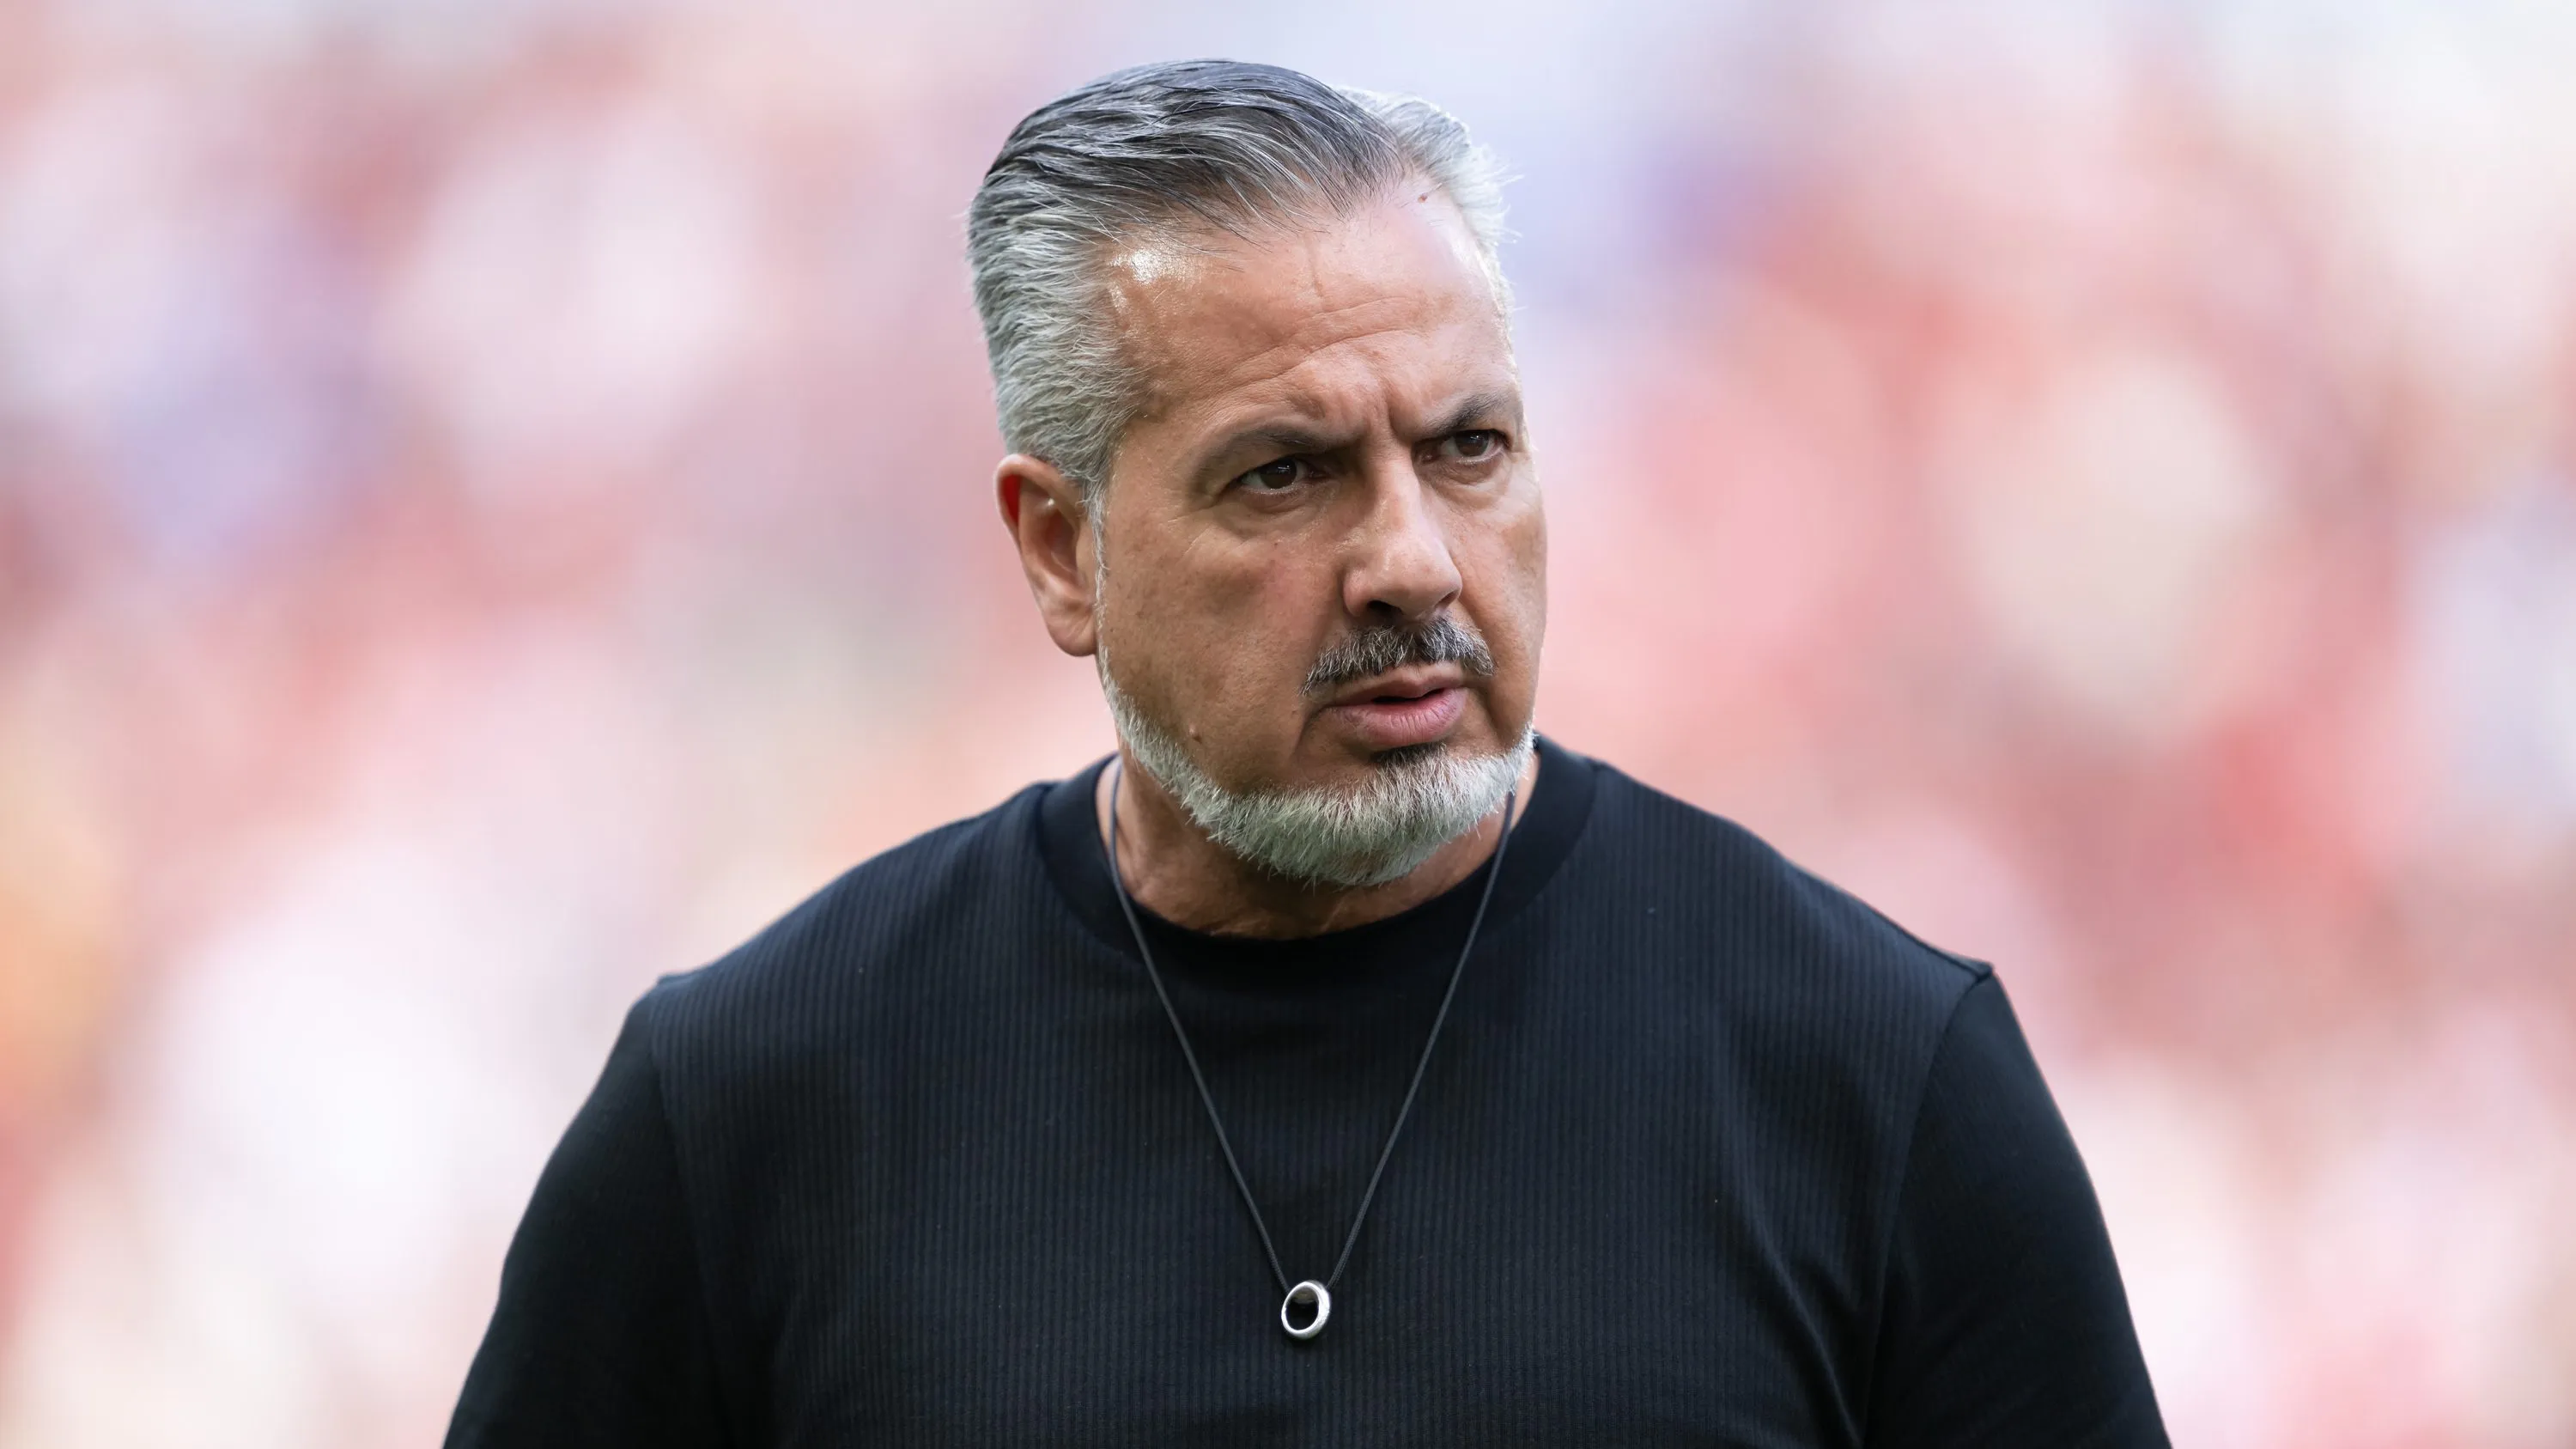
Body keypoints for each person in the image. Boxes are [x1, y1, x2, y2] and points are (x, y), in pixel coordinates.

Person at [446, 59, 2168, 1447]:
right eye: (1286, 472)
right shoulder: (754, 1100)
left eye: (1469, 445)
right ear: (1062, 550)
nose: (1413, 559)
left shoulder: (1874, 1074)